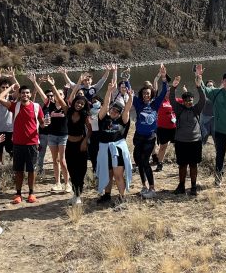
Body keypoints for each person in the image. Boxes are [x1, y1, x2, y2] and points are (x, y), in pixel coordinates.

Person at [0, 81, 44, 204]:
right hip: (18, 144)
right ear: (19, 94)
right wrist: (11, 87)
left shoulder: (36, 107)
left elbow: (42, 122)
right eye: (22, 93)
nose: (25, 95)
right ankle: (18, 193)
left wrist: (45, 123)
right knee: (19, 170)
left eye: (27, 93)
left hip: (32, 143)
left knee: (31, 170)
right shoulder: (15, 106)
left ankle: (31, 193)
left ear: (30, 94)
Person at [95, 67, 133, 206]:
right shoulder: (103, 118)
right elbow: (105, 105)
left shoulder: (122, 120)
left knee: (118, 174)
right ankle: (107, 195)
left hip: (117, 150)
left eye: (117, 110)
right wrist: (109, 92)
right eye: (112, 109)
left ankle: (122, 197)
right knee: (107, 173)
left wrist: (131, 97)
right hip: (105, 149)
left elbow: (127, 109)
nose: (114, 111)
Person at [132, 65, 169, 199]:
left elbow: (165, 90)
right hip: (138, 137)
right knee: (138, 160)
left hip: (149, 138)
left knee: (145, 161)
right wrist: (125, 78)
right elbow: (128, 90)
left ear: (151, 94)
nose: (146, 95)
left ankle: (152, 188)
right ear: (141, 95)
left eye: (148, 93)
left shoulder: (155, 104)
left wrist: (164, 77)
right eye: (144, 93)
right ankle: (143, 186)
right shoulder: (138, 104)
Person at [170, 65, 207, 196]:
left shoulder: (196, 109)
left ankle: (193, 187)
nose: (189, 103)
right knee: (182, 165)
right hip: (181, 141)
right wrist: (173, 87)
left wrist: (198, 86)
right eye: (186, 101)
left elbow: (203, 99)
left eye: (191, 100)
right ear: (183, 101)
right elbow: (171, 99)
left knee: (193, 165)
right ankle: (181, 186)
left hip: (195, 141)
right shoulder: (178, 109)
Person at [32, 74, 70, 193]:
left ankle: (67, 184)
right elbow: (41, 93)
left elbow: (60, 97)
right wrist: (35, 82)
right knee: (55, 160)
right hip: (52, 136)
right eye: (55, 95)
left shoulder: (65, 107)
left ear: (63, 96)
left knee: (63, 160)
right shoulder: (50, 105)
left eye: (60, 94)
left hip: (63, 136)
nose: (56, 96)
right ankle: (58, 183)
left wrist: (53, 85)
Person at [63, 92, 92, 206]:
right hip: (69, 144)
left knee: (81, 170)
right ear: (74, 102)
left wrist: (85, 141)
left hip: (81, 145)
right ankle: (75, 194)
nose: (79, 105)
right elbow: (60, 100)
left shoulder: (85, 115)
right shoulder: (68, 111)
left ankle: (78, 195)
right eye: (78, 102)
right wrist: (52, 86)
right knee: (71, 169)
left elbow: (89, 130)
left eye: (82, 104)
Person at [153, 78, 180, 172]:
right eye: (167, 91)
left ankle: (180, 162)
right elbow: (155, 92)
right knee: (163, 146)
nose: (168, 93)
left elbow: (187, 102)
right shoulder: (160, 101)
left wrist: (185, 91)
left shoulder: (176, 100)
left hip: (174, 128)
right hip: (162, 128)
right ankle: (160, 164)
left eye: (170, 91)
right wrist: (157, 80)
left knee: (178, 145)